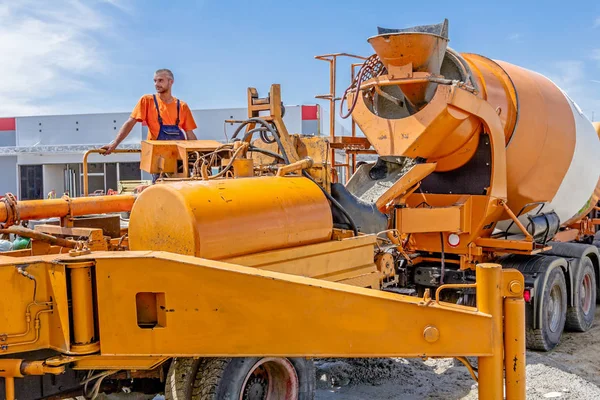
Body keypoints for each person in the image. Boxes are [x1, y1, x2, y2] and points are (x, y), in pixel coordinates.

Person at [101, 68, 197, 156]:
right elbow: (130, 122)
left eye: (160, 80)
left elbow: (190, 133)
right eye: (155, 81)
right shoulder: (147, 101)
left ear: (171, 82)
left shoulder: (182, 106)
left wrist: (198, 154)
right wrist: (114, 143)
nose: (156, 84)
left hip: (178, 156)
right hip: (157, 156)